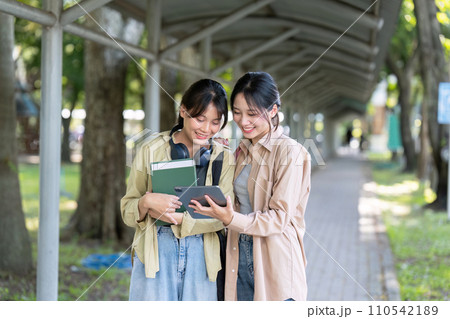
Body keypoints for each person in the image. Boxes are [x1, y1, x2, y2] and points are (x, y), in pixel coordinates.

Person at [189, 72, 311, 301]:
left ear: (273, 111)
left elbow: (279, 218)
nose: (243, 121)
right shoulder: (241, 151)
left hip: (275, 258)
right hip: (238, 251)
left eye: (252, 114)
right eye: (237, 112)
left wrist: (230, 219)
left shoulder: (290, 152)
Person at [120, 79, 235, 301]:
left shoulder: (224, 158)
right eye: (200, 119)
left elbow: (224, 218)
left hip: (203, 255)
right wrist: (146, 202)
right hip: (156, 252)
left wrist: (182, 219)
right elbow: (127, 210)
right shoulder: (151, 149)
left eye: (215, 122)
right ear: (183, 110)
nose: (206, 129)